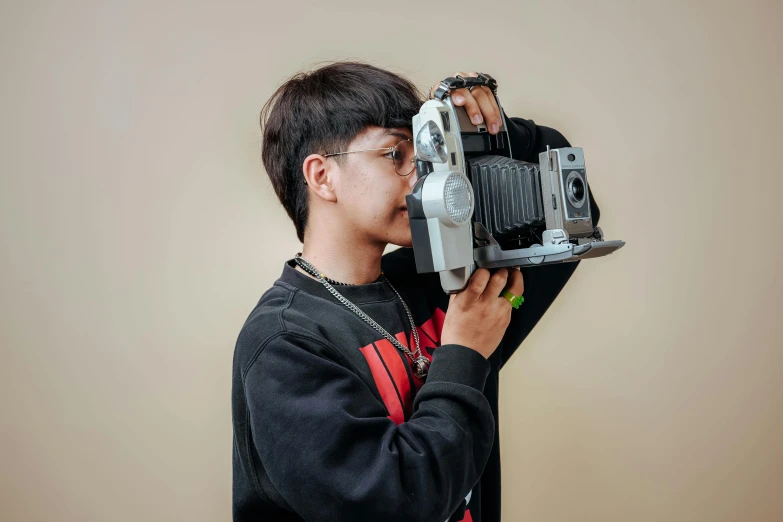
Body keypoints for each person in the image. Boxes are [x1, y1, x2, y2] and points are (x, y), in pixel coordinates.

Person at [232, 61, 600, 522]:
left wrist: (495, 129)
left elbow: (569, 207)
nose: (422, 177)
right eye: (395, 155)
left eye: (424, 154)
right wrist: (464, 353)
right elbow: (395, 503)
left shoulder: (445, 283)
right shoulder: (285, 342)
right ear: (322, 176)